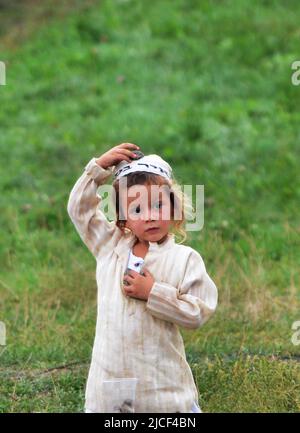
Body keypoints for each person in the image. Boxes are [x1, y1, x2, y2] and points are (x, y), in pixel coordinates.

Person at [67, 142, 218, 413]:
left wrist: (153, 292)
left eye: (159, 205)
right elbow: (80, 211)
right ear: (123, 218)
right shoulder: (109, 246)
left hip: (163, 387)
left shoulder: (184, 258)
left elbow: (197, 312)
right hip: (109, 381)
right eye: (137, 210)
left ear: (174, 208)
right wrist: (98, 169)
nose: (149, 216)